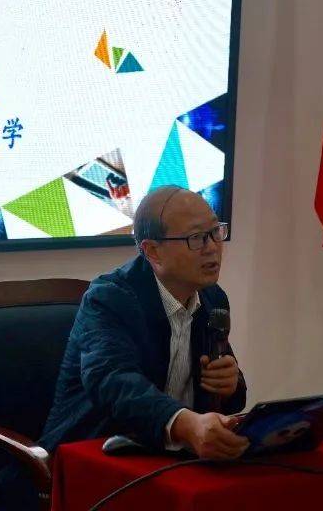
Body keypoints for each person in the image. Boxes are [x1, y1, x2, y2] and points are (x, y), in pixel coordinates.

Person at [39, 184, 249, 458]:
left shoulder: (212, 298)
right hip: (95, 455)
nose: (212, 248)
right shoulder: (109, 299)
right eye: (196, 237)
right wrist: (185, 425)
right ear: (153, 251)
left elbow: (223, 397)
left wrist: (231, 384)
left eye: (215, 232)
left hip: (170, 456)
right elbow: (113, 381)